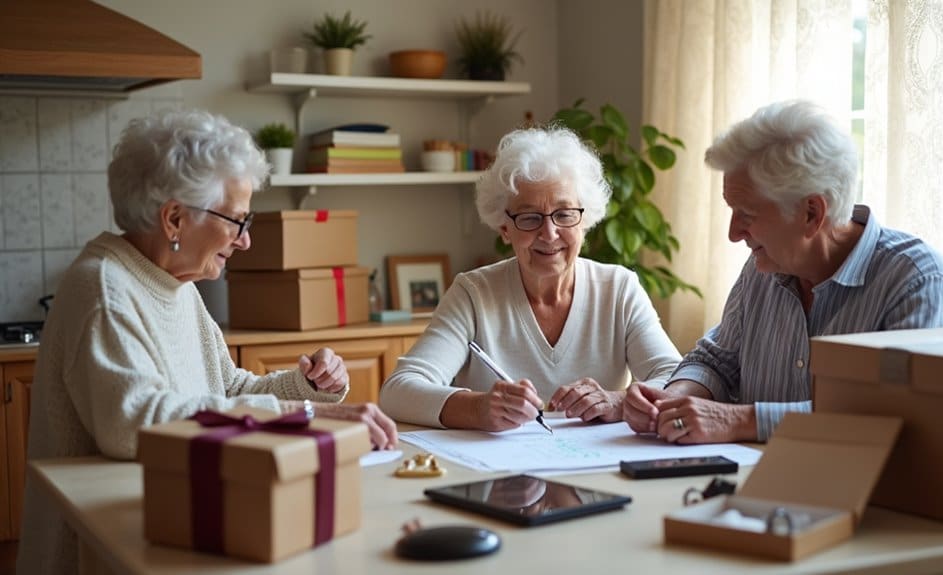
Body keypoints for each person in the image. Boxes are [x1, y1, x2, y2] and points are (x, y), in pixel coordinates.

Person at [17, 109, 398, 575]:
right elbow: (134, 423)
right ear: (174, 218)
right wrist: (305, 417)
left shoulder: (176, 287)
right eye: (237, 220)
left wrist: (306, 388)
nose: (246, 240)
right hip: (95, 551)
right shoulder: (102, 288)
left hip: (166, 525)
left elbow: (227, 391)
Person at [623, 100, 943, 445]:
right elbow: (716, 360)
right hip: (748, 483)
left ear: (811, 214)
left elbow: (900, 418)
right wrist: (678, 395)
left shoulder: (919, 282)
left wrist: (742, 420)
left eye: (746, 213)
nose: (733, 233)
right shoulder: (763, 268)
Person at [379, 127, 682, 431]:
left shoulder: (619, 289)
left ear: (584, 222)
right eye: (529, 217)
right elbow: (398, 391)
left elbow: (676, 377)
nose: (549, 234)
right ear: (504, 228)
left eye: (564, 214)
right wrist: (478, 408)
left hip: (596, 471)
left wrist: (618, 402)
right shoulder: (473, 294)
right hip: (496, 470)